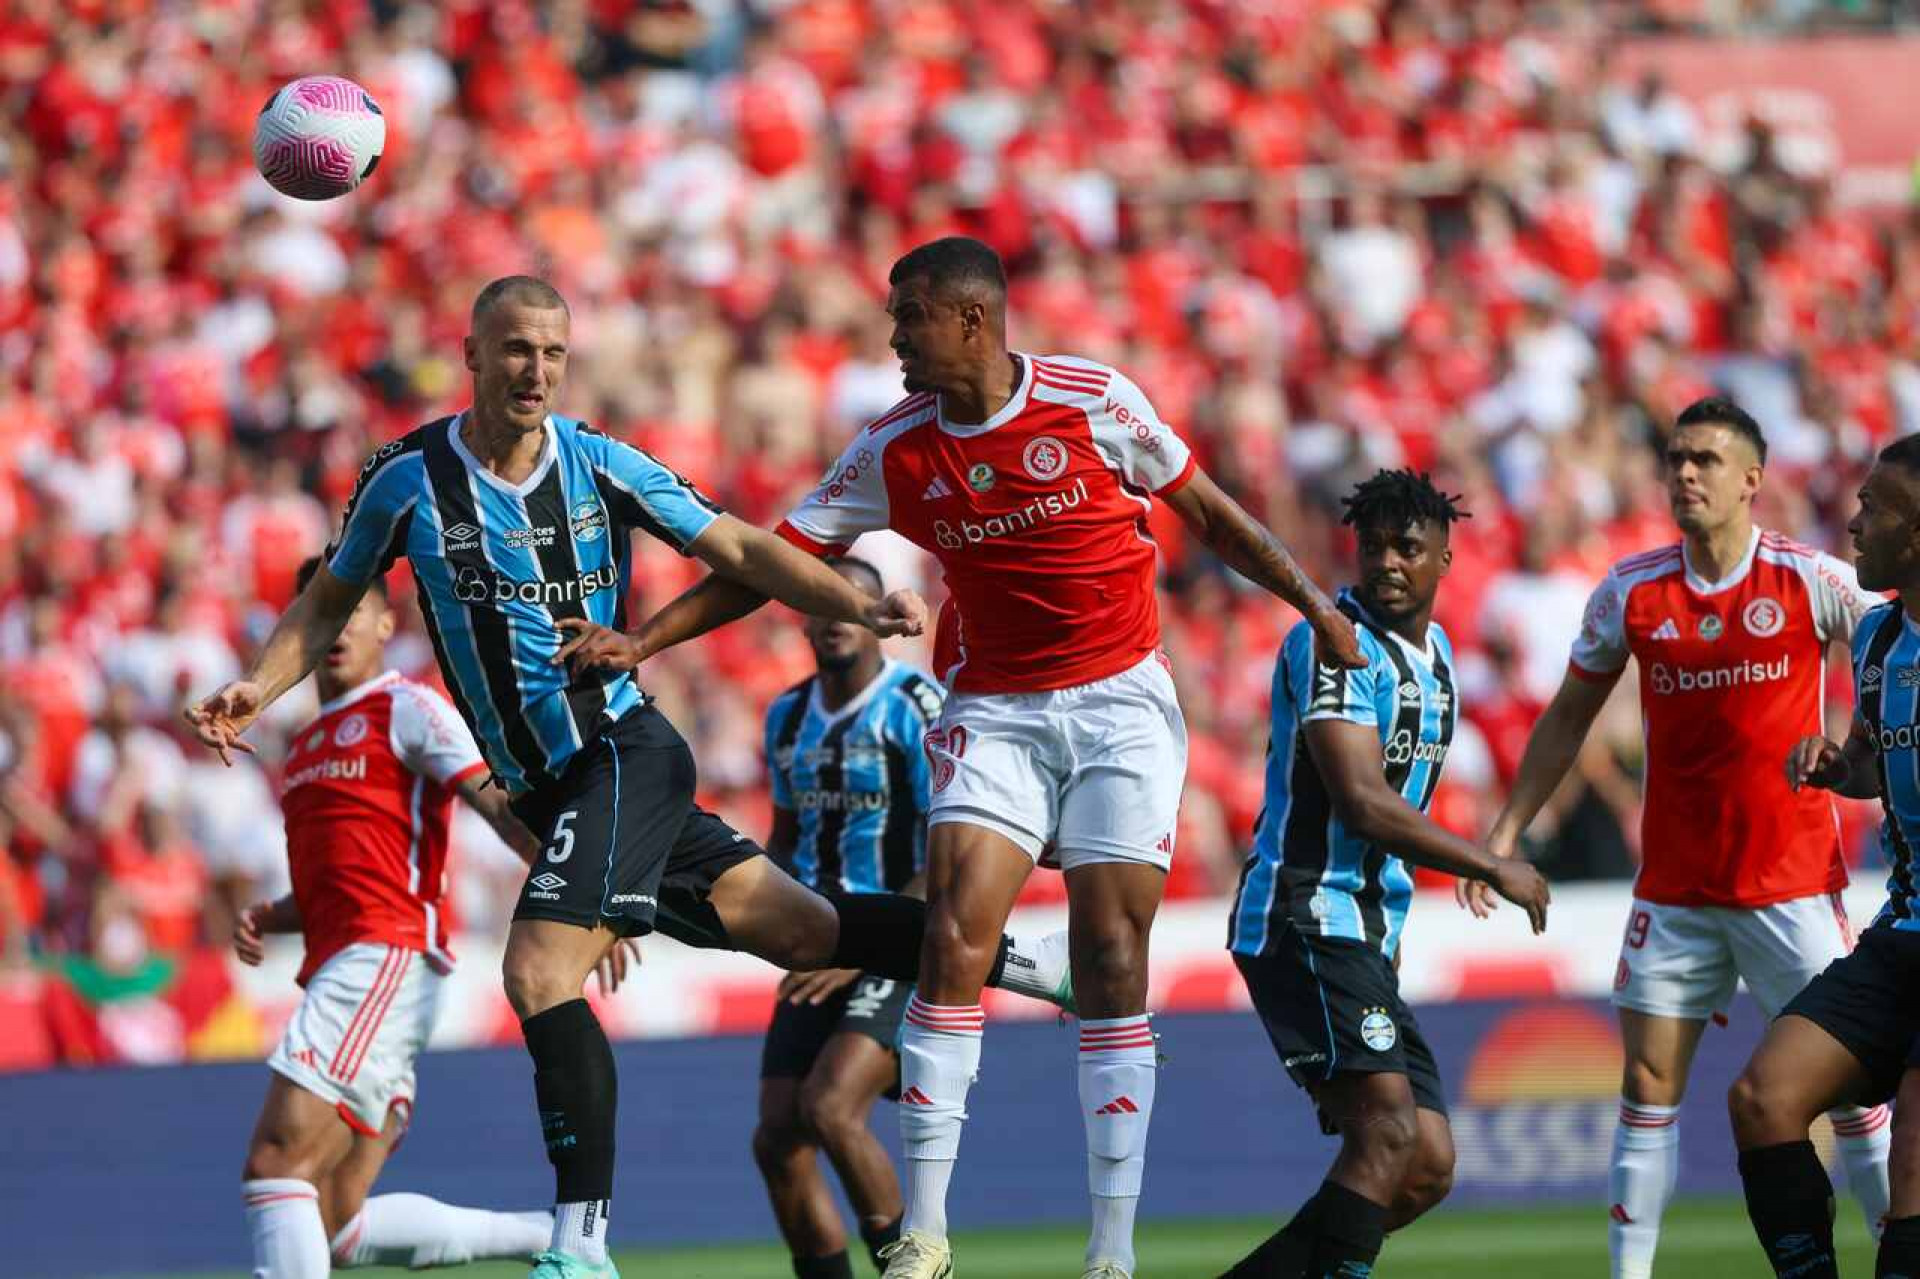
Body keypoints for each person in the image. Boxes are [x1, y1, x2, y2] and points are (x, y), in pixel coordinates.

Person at [185, 276, 1072, 1279]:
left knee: (535, 971)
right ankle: (1029, 961)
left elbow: (738, 545)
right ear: (471, 353)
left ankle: (580, 1246)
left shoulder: (602, 466)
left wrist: (856, 604)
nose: (537, 371)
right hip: (555, 792)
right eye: (517, 349)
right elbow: (330, 596)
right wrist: (256, 688)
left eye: (554, 353)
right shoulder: (407, 480)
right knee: (805, 930)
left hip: (625, 752)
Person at [616, 236, 1365, 1279]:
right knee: (954, 936)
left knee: (1110, 958)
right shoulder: (894, 448)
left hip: (1121, 704)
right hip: (997, 708)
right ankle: (924, 1231)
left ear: (971, 319)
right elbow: (772, 560)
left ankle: (1111, 1250)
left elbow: (1213, 517)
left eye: (907, 316)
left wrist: (1314, 602)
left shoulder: (1093, 399)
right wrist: (645, 641)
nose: (892, 337)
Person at [1478, 396, 1890, 1279]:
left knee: (1854, 1095)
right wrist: (1509, 825)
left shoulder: (1810, 580)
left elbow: (1900, 643)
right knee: (1646, 1090)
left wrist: (1856, 747)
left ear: (1752, 478)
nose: (1686, 474)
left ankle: (1898, 1253)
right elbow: (1567, 716)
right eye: (1675, 459)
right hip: (1675, 891)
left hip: (1792, 886)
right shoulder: (1633, 591)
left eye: (1705, 459)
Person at [1220, 470, 1550, 1279]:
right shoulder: (1333, 640)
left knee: (1426, 1161)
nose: (1388, 562)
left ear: (1446, 557)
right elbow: (1363, 803)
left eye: (1408, 547)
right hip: (1302, 914)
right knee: (1389, 1134)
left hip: (1366, 928)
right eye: (1374, 546)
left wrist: (1462, 858)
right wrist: (1490, 861)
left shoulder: (1437, 657)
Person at [236, 557, 555, 1275]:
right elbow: (340, 882)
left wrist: (574, 889)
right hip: (354, 959)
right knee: (333, 1219)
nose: (339, 624)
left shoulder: (407, 706)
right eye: (324, 609)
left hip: (384, 956)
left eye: (355, 608)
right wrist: (275, 914)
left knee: (274, 1162)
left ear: (386, 623)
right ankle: (546, 1237)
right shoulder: (305, 746)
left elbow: (497, 807)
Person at [1727, 436, 1920, 1279]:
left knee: (1911, 1167)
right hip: (1903, 934)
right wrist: (1840, 764)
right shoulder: (1877, 639)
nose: (1854, 522)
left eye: (1875, 507)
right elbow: (1876, 756)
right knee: (1763, 1098)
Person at [753, 555, 954, 1279]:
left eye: (852, 603)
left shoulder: (918, 706)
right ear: (802, 614)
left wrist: (868, 942)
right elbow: (783, 833)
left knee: (832, 1107)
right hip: (817, 945)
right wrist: (770, 921)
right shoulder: (787, 713)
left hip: (902, 943)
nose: (836, 616)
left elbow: (952, 848)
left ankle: (920, 1272)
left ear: (878, 617)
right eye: (821, 601)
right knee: (778, 1135)